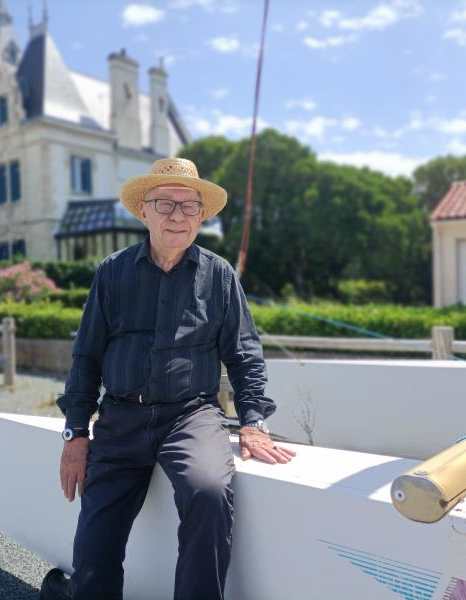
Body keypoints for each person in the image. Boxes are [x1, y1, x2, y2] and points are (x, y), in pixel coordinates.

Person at [50, 157, 296, 600]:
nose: (177, 216)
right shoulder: (112, 272)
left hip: (190, 416)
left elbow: (244, 354)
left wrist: (253, 421)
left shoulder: (219, 275)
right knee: (94, 541)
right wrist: (75, 432)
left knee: (209, 492)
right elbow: (86, 356)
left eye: (189, 206)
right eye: (165, 203)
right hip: (120, 419)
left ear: (201, 217)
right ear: (144, 211)